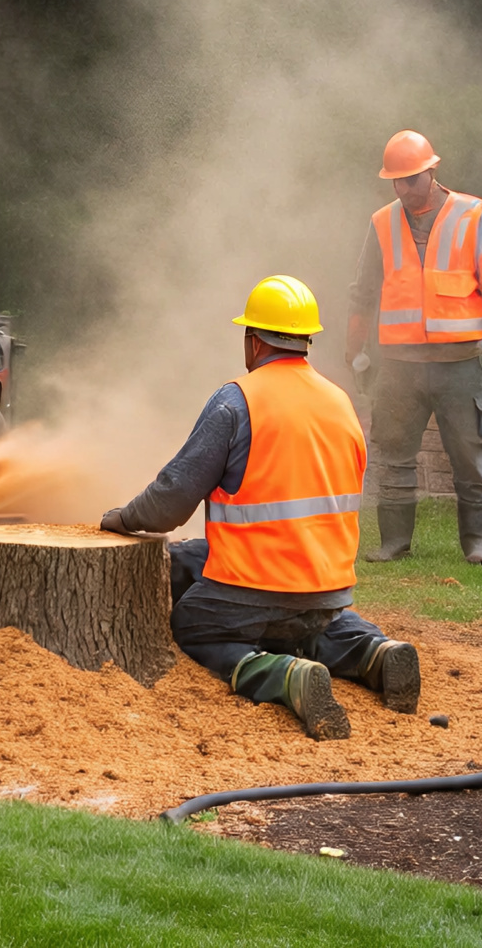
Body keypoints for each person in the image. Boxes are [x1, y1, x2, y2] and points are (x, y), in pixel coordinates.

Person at [102, 276, 419, 741]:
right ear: (306, 340)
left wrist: (123, 518)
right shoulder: (341, 404)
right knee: (305, 626)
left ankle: (282, 677)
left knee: (194, 625)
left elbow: (170, 500)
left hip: (251, 586)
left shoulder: (236, 401)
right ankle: (376, 654)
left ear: (252, 342)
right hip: (326, 589)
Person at [347, 130, 482, 565]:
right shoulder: (382, 221)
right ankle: (394, 542)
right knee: (394, 455)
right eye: (396, 182)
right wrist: (355, 348)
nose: (402, 189)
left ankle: (476, 542)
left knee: (468, 456)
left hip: (460, 364)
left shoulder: (476, 216)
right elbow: (362, 292)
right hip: (400, 368)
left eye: (410, 180)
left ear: (432, 172)